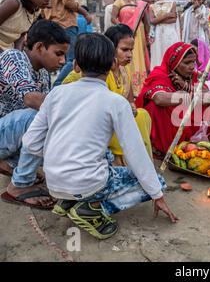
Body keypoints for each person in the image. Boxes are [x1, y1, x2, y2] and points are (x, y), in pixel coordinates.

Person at [22, 33, 178, 240]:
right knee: (157, 181)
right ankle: (93, 209)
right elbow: (136, 154)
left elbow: (30, 143)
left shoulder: (56, 94)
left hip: (54, 182)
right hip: (88, 182)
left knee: (106, 155)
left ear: (76, 65)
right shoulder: (115, 102)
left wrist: (59, 158)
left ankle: (69, 202)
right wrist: (157, 195)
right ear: (113, 63)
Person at [0, 20, 70, 209]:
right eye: (59, 54)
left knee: (53, 138)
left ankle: (9, 163)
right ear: (39, 47)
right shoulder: (13, 57)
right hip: (3, 131)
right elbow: (32, 100)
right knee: (37, 117)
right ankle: (18, 187)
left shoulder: (43, 73)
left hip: (9, 134)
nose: (63, 61)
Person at [63, 24, 153, 165]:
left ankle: (140, 162)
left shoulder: (124, 71)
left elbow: (130, 102)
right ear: (109, 50)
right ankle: (132, 164)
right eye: (124, 50)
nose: (129, 55)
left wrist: (131, 108)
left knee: (142, 115)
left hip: (114, 121)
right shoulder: (93, 70)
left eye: (131, 50)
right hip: (94, 124)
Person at [136, 42, 210, 156]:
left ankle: (193, 144)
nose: (192, 66)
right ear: (174, 63)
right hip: (169, 123)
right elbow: (159, 98)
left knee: (208, 107)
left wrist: (186, 87)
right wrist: (188, 97)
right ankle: (160, 146)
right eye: (187, 63)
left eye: (193, 62)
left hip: (183, 121)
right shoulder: (160, 73)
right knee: (154, 108)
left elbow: (209, 97)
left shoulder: (192, 75)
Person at [44, 0, 92, 87]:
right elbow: (68, 1)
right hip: (65, 22)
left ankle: (48, 88)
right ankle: (57, 87)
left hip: (50, 22)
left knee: (48, 58)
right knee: (72, 59)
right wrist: (85, 13)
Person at [112, 0, 150, 96]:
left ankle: (140, 87)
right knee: (126, 57)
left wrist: (148, 37)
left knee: (138, 58)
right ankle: (127, 85)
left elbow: (146, 22)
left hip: (139, 37)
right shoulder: (119, 2)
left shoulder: (141, 5)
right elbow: (113, 18)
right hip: (125, 35)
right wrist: (122, 29)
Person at [150, 0, 181, 71]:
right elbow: (152, 21)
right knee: (158, 54)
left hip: (170, 33)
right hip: (158, 34)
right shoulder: (152, 6)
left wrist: (158, 19)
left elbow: (174, 19)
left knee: (170, 52)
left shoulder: (172, 3)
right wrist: (167, 15)